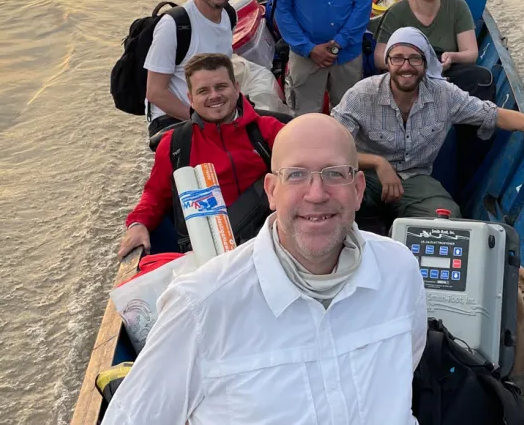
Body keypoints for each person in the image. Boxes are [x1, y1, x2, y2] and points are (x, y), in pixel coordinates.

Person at [102, 114, 428, 425]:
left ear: (358, 190)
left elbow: (406, 366)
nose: (316, 194)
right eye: (296, 174)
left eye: (334, 173)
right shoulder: (202, 305)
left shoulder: (399, 270)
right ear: (272, 191)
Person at [333, 27, 524, 220]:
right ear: (388, 62)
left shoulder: (444, 95)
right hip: (364, 177)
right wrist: (377, 163)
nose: (406, 66)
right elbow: (329, 146)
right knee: (333, 199)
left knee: (445, 220)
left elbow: (495, 115)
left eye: (414, 58)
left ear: (425, 64)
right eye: (397, 58)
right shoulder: (362, 95)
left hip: (415, 181)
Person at [119, 53, 287, 258]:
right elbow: (155, 194)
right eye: (203, 91)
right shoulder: (175, 145)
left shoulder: (270, 131)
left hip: (271, 242)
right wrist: (137, 224)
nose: (214, 96)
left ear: (236, 87)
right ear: (190, 98)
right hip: (209, 254)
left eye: (221, 87)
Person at [143, 0, 237, 137]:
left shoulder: (229, 15)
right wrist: (202, 122)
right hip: (175, 120)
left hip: (212, 111)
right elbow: (155, 92)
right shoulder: (174, 25)